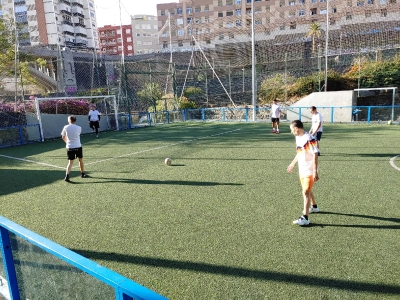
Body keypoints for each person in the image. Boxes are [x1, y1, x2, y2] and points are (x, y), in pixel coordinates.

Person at [287, 120, 320, 226]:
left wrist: (315, 171)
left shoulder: (309, 138)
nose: (291, 132)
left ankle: (304, 217)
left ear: (296, 128)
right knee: (308, 190)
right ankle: (314, 207)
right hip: (302, 169)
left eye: (292, 130)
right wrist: (292, 163)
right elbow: (299, 152)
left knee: (305, 191)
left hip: (310, 170)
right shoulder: (298, 138)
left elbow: (315, 154)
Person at [61, 115, 88, 182]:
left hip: (69, 147)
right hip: (78, 146)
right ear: (75, 120)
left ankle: (67, 176)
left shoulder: (65, 127)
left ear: (69, 120)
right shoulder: (79, 128)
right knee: (80, 160)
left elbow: (63, 136)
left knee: (70, 162)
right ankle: (82, 173)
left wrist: (67, 142)